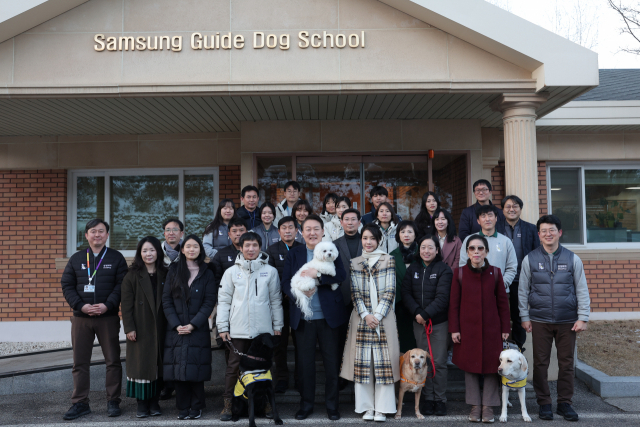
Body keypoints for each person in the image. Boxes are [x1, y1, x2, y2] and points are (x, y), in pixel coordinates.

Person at [519, 215, 590, 422]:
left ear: (559, 233)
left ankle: (565, 403)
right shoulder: (530, 259)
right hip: (539, 319)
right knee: (540, 362)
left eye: (552, 230)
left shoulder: (572, 258)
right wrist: (525, 316)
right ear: (538, 235)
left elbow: (582, 289)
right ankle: (544, 404)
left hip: (567, 320)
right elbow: (523, 291)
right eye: (543, 231)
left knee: (566, 363)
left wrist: (583, 317)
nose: (548, 234)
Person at [282, 214, 348, 421]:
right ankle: (306, 405)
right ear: (302, 232)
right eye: (308, 229)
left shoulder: (331, 250)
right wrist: (300, 294)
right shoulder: (295, 253)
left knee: (331, 363)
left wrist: (318, 278)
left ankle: (332, 406)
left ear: (322, 231)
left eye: (316, 229)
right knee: (305, 365)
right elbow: (285, 283)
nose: (312, 233)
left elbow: (341, 276)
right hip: (304, 319)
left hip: (330, 318)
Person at [61, 219, 128, 420]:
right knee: (80, 362)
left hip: (107, 317)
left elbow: (122, 285)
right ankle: (80, 403)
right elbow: (67, 285)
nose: (97, 235)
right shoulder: (76, 258)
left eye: (101, 231)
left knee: (113, 361)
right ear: (86, 235)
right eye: (93, 231)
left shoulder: (116, 258)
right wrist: (80, 306)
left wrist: (108, 304)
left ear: (107, 235)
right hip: (81, 318)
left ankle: (113, 401)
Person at [217, 232, 284, 421]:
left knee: (265, 367)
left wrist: (277, 325)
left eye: (254, 245)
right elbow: (223, 301)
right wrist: (222, 327)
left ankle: (267, 402)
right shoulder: (231, 272)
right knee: (233, 367)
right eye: (247, 245)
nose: (251, 249)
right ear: (240, 247)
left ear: (260, 247)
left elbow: (276, 300)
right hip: (238, 329)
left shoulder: (269, 271)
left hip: (263, 331)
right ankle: (229, 403)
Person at [340, 224, 400, 422]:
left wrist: (378, 315)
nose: (368, 242)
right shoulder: (355, 262)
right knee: (364, 364)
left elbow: (390, 290)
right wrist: (366, 315)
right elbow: (354, 293)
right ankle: (367, 408)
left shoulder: (388, 260)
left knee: (384, 364)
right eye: (365, 238)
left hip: (384, 318)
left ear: (379, 240)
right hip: (361, 317)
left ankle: (382, 408)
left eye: (372, 238)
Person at [449, 235, 511, 423]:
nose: (476, 252)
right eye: (472, 248)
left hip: (492, 328)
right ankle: (475, 406)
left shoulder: (496, 272)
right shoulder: (459, 273)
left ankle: (489, 407)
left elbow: (503, 303)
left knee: (494, 367)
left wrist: (505, 327)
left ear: (486, 251)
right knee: (470, 367)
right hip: (467, 329)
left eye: (480, 248)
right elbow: (453, 304)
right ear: (467, 252)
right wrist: (454, 329)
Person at [163, 235, 216, 420]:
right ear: (182, 250)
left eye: (195, 246)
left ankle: (197, 406)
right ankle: (182, 407)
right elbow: (166, 300)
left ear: (200, 250)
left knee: (196, 369)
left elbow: (209, 302)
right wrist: (176, 324)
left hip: (197, 328)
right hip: (176, 329)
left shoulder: (207, 272)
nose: (191, 249)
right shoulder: (174, 270)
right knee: (178, 370)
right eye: (188, 246)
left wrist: (193, 324)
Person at [402, 234, 453, 416]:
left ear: (437, 250)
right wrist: (418, 313)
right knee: (421, 363)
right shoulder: (413, 269)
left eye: (430, 247)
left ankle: (439, 399)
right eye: (423, 247)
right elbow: (406, 293)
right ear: (419, 249)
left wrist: (425, 314)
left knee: (437, 362)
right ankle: (427, 399)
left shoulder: (444, 270)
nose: (426, 251)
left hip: (438, 323)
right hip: (418, 323)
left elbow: (443, 297)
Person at [121, 236, 168, 418]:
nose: (149, 254)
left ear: (158, 252)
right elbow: (126, 306)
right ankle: (142, 404)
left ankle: (155, 403)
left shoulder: (165, 273)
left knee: (157, 366)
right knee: (141, 366)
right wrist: (129, 328)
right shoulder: (132, 275)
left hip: (162, 327)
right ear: (140, 253)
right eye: (145, 251)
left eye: (152, 250)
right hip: (140, 328)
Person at [496, 195, 540, 351]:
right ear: (502, 210)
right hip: (500, 280)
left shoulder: (530, 228)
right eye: (508, 206)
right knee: (500, 315)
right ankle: (499, 348)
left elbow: (536, 253)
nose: (511, 209)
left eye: (515, 206)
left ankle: (519, 348)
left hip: (522, 279)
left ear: (520, 209)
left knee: (519, 315)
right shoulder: (496, 228)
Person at [266, 216, 303, 394]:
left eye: (291, 228)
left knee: (300, 343)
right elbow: (271, 278)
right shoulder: (271, 250)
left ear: (297, 231)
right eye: (284, 228)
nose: (287, 231)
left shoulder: (303, 249)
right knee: (279, 344)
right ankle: (281, 378)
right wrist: (286, 293)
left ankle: (299, 377)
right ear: (278, 231)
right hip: (279, 304)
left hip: (300, 304)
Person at [331, 207, 364, 390]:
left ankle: (360, 375)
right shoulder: (334, 244)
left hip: (364, 300)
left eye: (353, 219)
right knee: (341, 341)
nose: (350, 222)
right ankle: (342, 376)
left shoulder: (367, 242)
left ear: (359, 222)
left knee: (361, 340)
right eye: (347, 219)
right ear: (341, 222)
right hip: (341, 300)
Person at [459, 205, 517, 293]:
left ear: (496, 218)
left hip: (500, 292)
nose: (487, 219)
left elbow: (512, 267)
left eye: (490, 215)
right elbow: (463, 265)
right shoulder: (469, 240)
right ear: (478, 221)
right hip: (474, 291)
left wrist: (501, 284)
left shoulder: (506, 241)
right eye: (483, 216)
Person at [389, 221, 419, 353]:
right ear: (398, 235)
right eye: (402, 232)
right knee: (404, 343)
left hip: (420, 304)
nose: (406, 235)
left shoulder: (422, 252)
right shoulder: (392, 255)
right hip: (400, 305)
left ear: (415, 234)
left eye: (410, 231)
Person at [208, 218, 247, 286]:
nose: (238, 234)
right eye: (234, 231)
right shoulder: (220, 254)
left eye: (241, 230)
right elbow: (215, 280)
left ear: (247, 232)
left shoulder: (254, 253)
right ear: (229, 234)